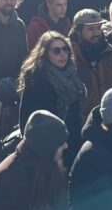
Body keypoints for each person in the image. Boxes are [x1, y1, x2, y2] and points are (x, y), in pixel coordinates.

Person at [19, 31, 86, 160]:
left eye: (65, 49)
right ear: (45, 54)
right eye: (56, 51)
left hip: (72, 142)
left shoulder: (72, 75)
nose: (62, 54)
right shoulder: (36, 80)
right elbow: (26, 120)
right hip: (48, 148)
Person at [70, 7, 112, 117]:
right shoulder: (69, 54)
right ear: (78, 32)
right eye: (91, 29)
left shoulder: (109, 51)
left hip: (108, 115)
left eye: (99, 28)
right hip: (82, 118)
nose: (96, 33)